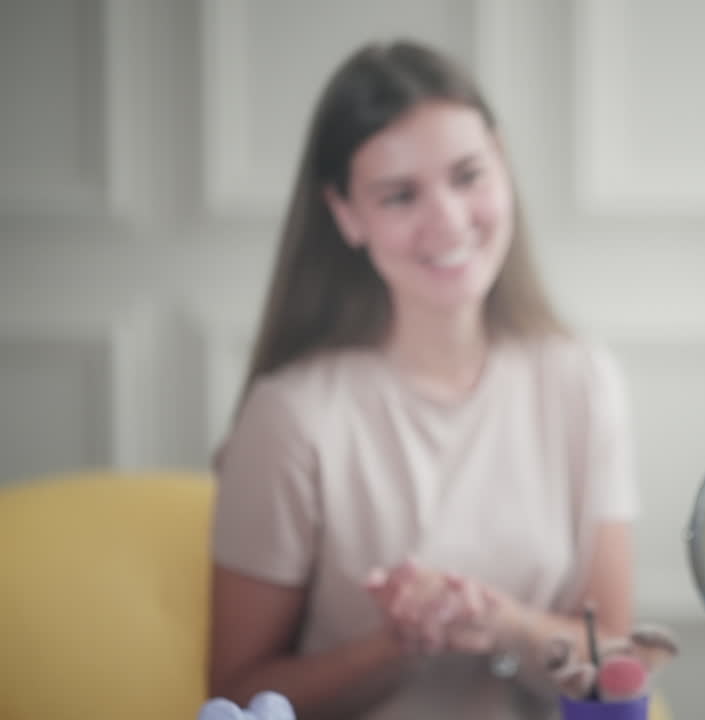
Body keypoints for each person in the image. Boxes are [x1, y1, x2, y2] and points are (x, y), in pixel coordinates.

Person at [207, 39, 638, 720]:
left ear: (503, 164)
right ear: (346, 213)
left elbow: (617, 665)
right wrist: (394, 646)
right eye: (400, 195)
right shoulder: (292, 415)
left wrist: (503, 625)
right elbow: (232, 696)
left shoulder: (581, 382)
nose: (447, 219)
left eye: (468, 175)